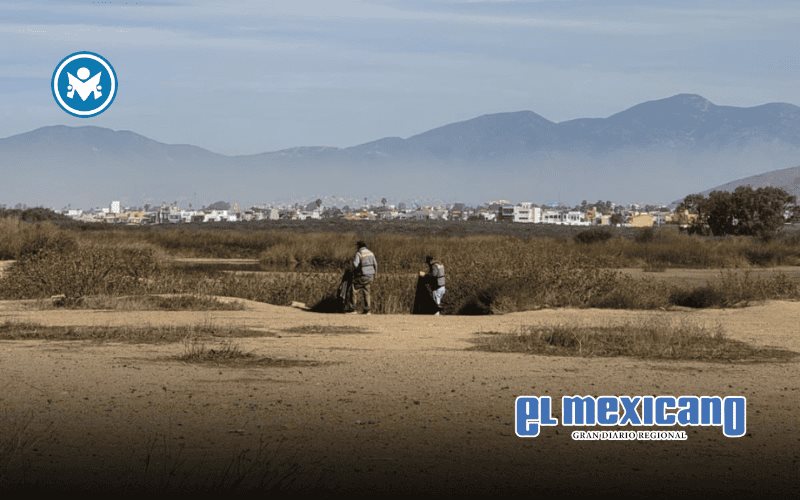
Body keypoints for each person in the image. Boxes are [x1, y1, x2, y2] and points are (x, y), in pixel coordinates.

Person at [348, 240, 377, 314]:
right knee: (366, 292)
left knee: (354, 289)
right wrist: (375, 275)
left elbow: (355, 264)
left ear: (359, 246)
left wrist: (353, 270)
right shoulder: (371, 253)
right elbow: (375, 264)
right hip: (370, 275)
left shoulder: (359, 253)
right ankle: (367, 310)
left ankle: (353, 309)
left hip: (363, 275)